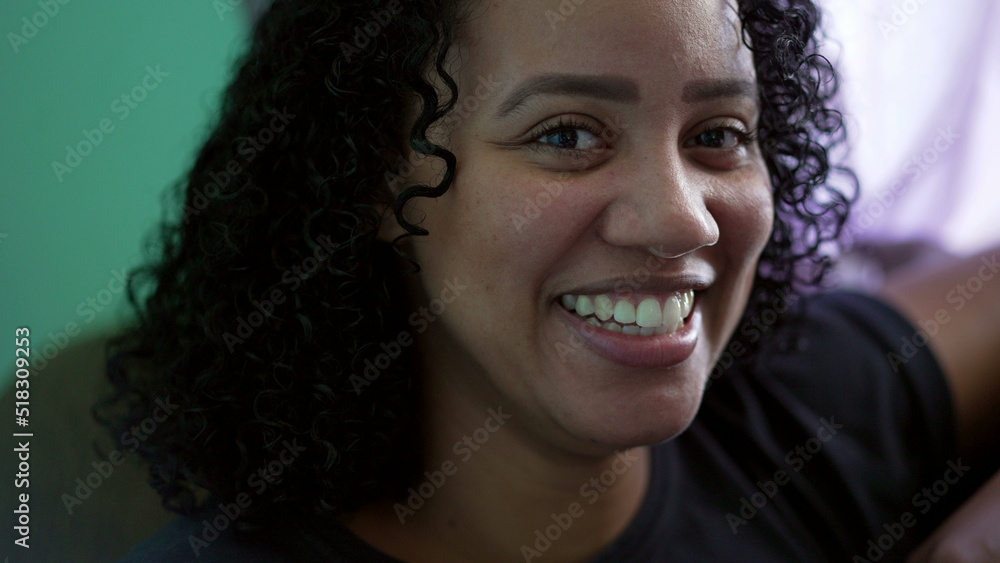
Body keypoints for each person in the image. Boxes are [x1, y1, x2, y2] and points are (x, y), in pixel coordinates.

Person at [106, 0, 1000, 561]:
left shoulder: (792, 423)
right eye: (567, 135)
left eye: (718, 134)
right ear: (375, 181)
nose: (683, 220)